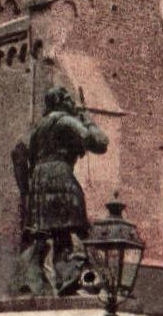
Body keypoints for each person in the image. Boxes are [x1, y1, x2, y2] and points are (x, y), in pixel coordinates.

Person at [11, 87, 109, 295]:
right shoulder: (65, 120)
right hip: (60, 176)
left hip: (38, 182)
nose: (72, 103)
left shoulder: (36, 128)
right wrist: (87, 118)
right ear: (62, 102)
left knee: (53, 233)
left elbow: (17, 153)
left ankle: (56, 279)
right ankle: (74, 274)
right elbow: (99, 143)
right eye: (69, 100)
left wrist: (26, 190)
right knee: (75, 229)